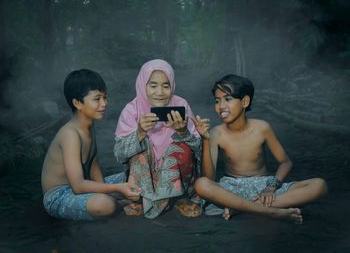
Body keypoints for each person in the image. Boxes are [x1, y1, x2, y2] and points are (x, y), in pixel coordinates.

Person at [192, 74, 328, 223]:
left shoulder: (262, 127)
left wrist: (270, 188)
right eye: (217, 101)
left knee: (319, 185)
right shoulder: (215, 134)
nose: (221, 106)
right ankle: (273, 212)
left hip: (264, 187)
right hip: (232, 190)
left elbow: (285, 162)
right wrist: (205, 139)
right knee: (201, 184)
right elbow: (209, 179)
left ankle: (241, 208)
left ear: (244, 101)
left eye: (228, 99)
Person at [41, 69, 141, 221]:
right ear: (77, 103)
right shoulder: (70, 134)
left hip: (83, 187)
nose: (104, 103)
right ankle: (121, 203)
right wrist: (117, 189)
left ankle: (119, 200)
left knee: (138, 175)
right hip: (59, 196)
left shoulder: (88, 126)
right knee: (104, 204)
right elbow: (78, 186)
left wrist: (111, 189)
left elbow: (93, 164)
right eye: (97, 99)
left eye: (105, 97)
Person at [114, 59, 202, 219]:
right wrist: (140, 132)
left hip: (177, 178)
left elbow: (199, 149)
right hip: (145, 178)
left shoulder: (181, 104)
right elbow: (120, 155)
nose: (160, 92)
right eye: (153, 85)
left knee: (183, 148)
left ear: (172, 86)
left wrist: (183, 132)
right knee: (140, 148)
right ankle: (142, 198)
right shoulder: (132, 110)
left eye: (166, 85)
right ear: (142, 85)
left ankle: (179, 197)